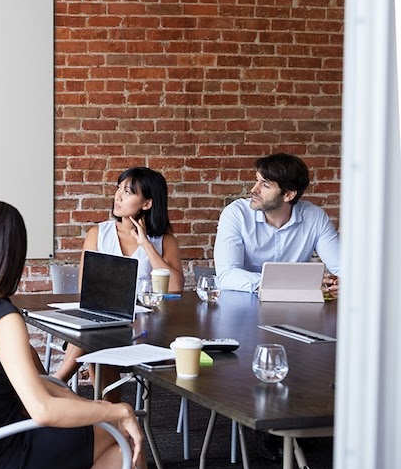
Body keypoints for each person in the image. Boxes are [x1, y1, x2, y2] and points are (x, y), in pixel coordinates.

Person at [0, 201, 145, 469]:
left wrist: (90, 405)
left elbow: (32, 384)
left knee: (116, 453)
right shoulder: (3, 319)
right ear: (13, 255)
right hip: (5, 455)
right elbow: (42, 409)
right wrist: (117, 410)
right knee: (121, 429)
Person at [53, 167, 183, 389]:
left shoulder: (164, 240)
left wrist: (146, 244)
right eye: (118, 189)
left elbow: (175, 287)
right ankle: (71, 391)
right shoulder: (98, 234)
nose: (118, 196)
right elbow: (86, 287)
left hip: (144, 328)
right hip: (104, 321)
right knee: (97, 337)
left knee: (95, 339)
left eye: (128, 192)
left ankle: (55, 385)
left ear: (147, 204)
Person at [214, 153, 341, 295]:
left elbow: (342, 269)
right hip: (241, 303)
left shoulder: (315, 217)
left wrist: (340, 284)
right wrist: (295, 283)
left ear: (288, 195)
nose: (254, 190)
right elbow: (227, 275)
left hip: (293, 310)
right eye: (257, 181)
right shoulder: (236, 214)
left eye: (265, 185)